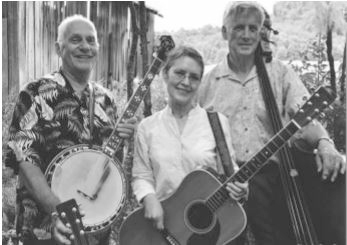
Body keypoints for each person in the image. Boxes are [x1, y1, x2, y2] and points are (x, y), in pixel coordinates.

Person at [199, 2, 346, 245]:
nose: (246, 35)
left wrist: (325, 142)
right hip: (221, 184)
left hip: (271, 180)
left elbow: (305, 115)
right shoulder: (208, 82)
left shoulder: (280, 73)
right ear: (225, 32)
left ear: (260, 33)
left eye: (252, 28)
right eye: (238, 28)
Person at [5, 15, 136, 245]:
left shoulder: (107, 100)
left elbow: (107, 166)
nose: (85, 47)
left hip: (93, 232)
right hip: (42, 230)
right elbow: (23, 159)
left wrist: (123, 139)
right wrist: (58, 210)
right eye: (76, 40)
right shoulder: (35, 93)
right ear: (59, 48)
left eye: (90, 40)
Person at [131, 46, 249, 231]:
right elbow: (141, 175)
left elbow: (229, 172)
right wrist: (149, 198)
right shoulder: (147, 127)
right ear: (165, 74)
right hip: (160, 228)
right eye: (179, 73)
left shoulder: (217, 123)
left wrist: (240, 189)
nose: (186, 82)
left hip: (202, 229)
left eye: (194, 77)